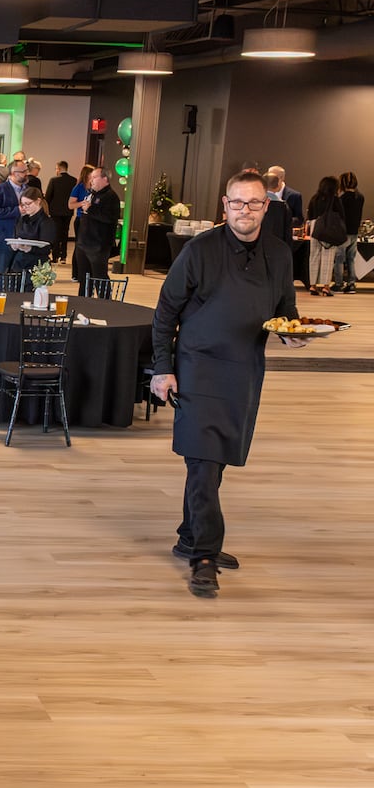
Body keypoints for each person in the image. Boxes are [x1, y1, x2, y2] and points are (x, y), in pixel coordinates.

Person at [150, 171, 302, 599]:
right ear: (224, 205)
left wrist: (294, 333)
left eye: (254, 204)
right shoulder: (199, 251)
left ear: (266, 207)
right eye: (237, 203)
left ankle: (188, 534)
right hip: (197, 368)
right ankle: (203, 555)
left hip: (245, 371)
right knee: (201, 461)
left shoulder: (279, 253)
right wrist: (163, 368)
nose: (245, 211)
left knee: (213, 464)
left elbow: (285, 310)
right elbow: (165, 313)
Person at [75, 166, 121, 286]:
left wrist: (90, 209)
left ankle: (105, 303)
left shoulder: (111, 197)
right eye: (91, 178)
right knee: (84, 280)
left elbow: (109, 218)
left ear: (105, 179)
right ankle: (84, 302)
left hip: (98, 245)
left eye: (94, 177)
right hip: (84, 243)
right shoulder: (93, 194)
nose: (91, 180)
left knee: (99, 279)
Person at [306, 175, 345, 297]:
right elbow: (341, 216)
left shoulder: (315, 198)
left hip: (315, 228)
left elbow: (309, 215)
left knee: (314, 256)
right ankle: (325, 287)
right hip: (329, 228)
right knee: (327, 258)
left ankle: (312, 285)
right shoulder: (335, 200)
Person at [0, 161, 26, 275]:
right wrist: (16, 210)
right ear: (13, 173)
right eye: (22, 171)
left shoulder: (28, 190)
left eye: (26, 171)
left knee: (17, 275)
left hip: (23, 238)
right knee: (0, 275)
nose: (25, 174)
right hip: (2, 237)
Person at [10, 188, 57, 278]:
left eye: (28, 203)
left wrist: (29, 248)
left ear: (38, 201)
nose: (25, 207)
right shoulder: (22, 219)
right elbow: (16, 236)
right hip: (19, 264)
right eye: (23, 204)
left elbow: (46, 249)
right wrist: (15, 246)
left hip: (37, 266)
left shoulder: (46, 222)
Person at [336, 172, 364, 294]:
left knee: (339, 259)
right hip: (354, 231)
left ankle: (338, 283)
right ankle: (351, 284)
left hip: (343, 232)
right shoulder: (360, 197)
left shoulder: (342, 198)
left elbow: (339, 216)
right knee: (351, 259)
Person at [68, 164, 96, 280]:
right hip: (80, 219)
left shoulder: (94, 188)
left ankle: (87, 272)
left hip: (92, 220)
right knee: (79, 246)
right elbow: (70, 205)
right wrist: (82, 204)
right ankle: (76, 273)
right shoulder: (79, 188)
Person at [45, 161, 75, 264]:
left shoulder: (54, 180)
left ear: (58, 168)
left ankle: (55, 256)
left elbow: (48, 196)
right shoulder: (73, 180)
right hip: (68, 211)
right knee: (65, 233)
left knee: (56, 233)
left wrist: (46, 209)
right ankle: (64, 256)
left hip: (55, 211)